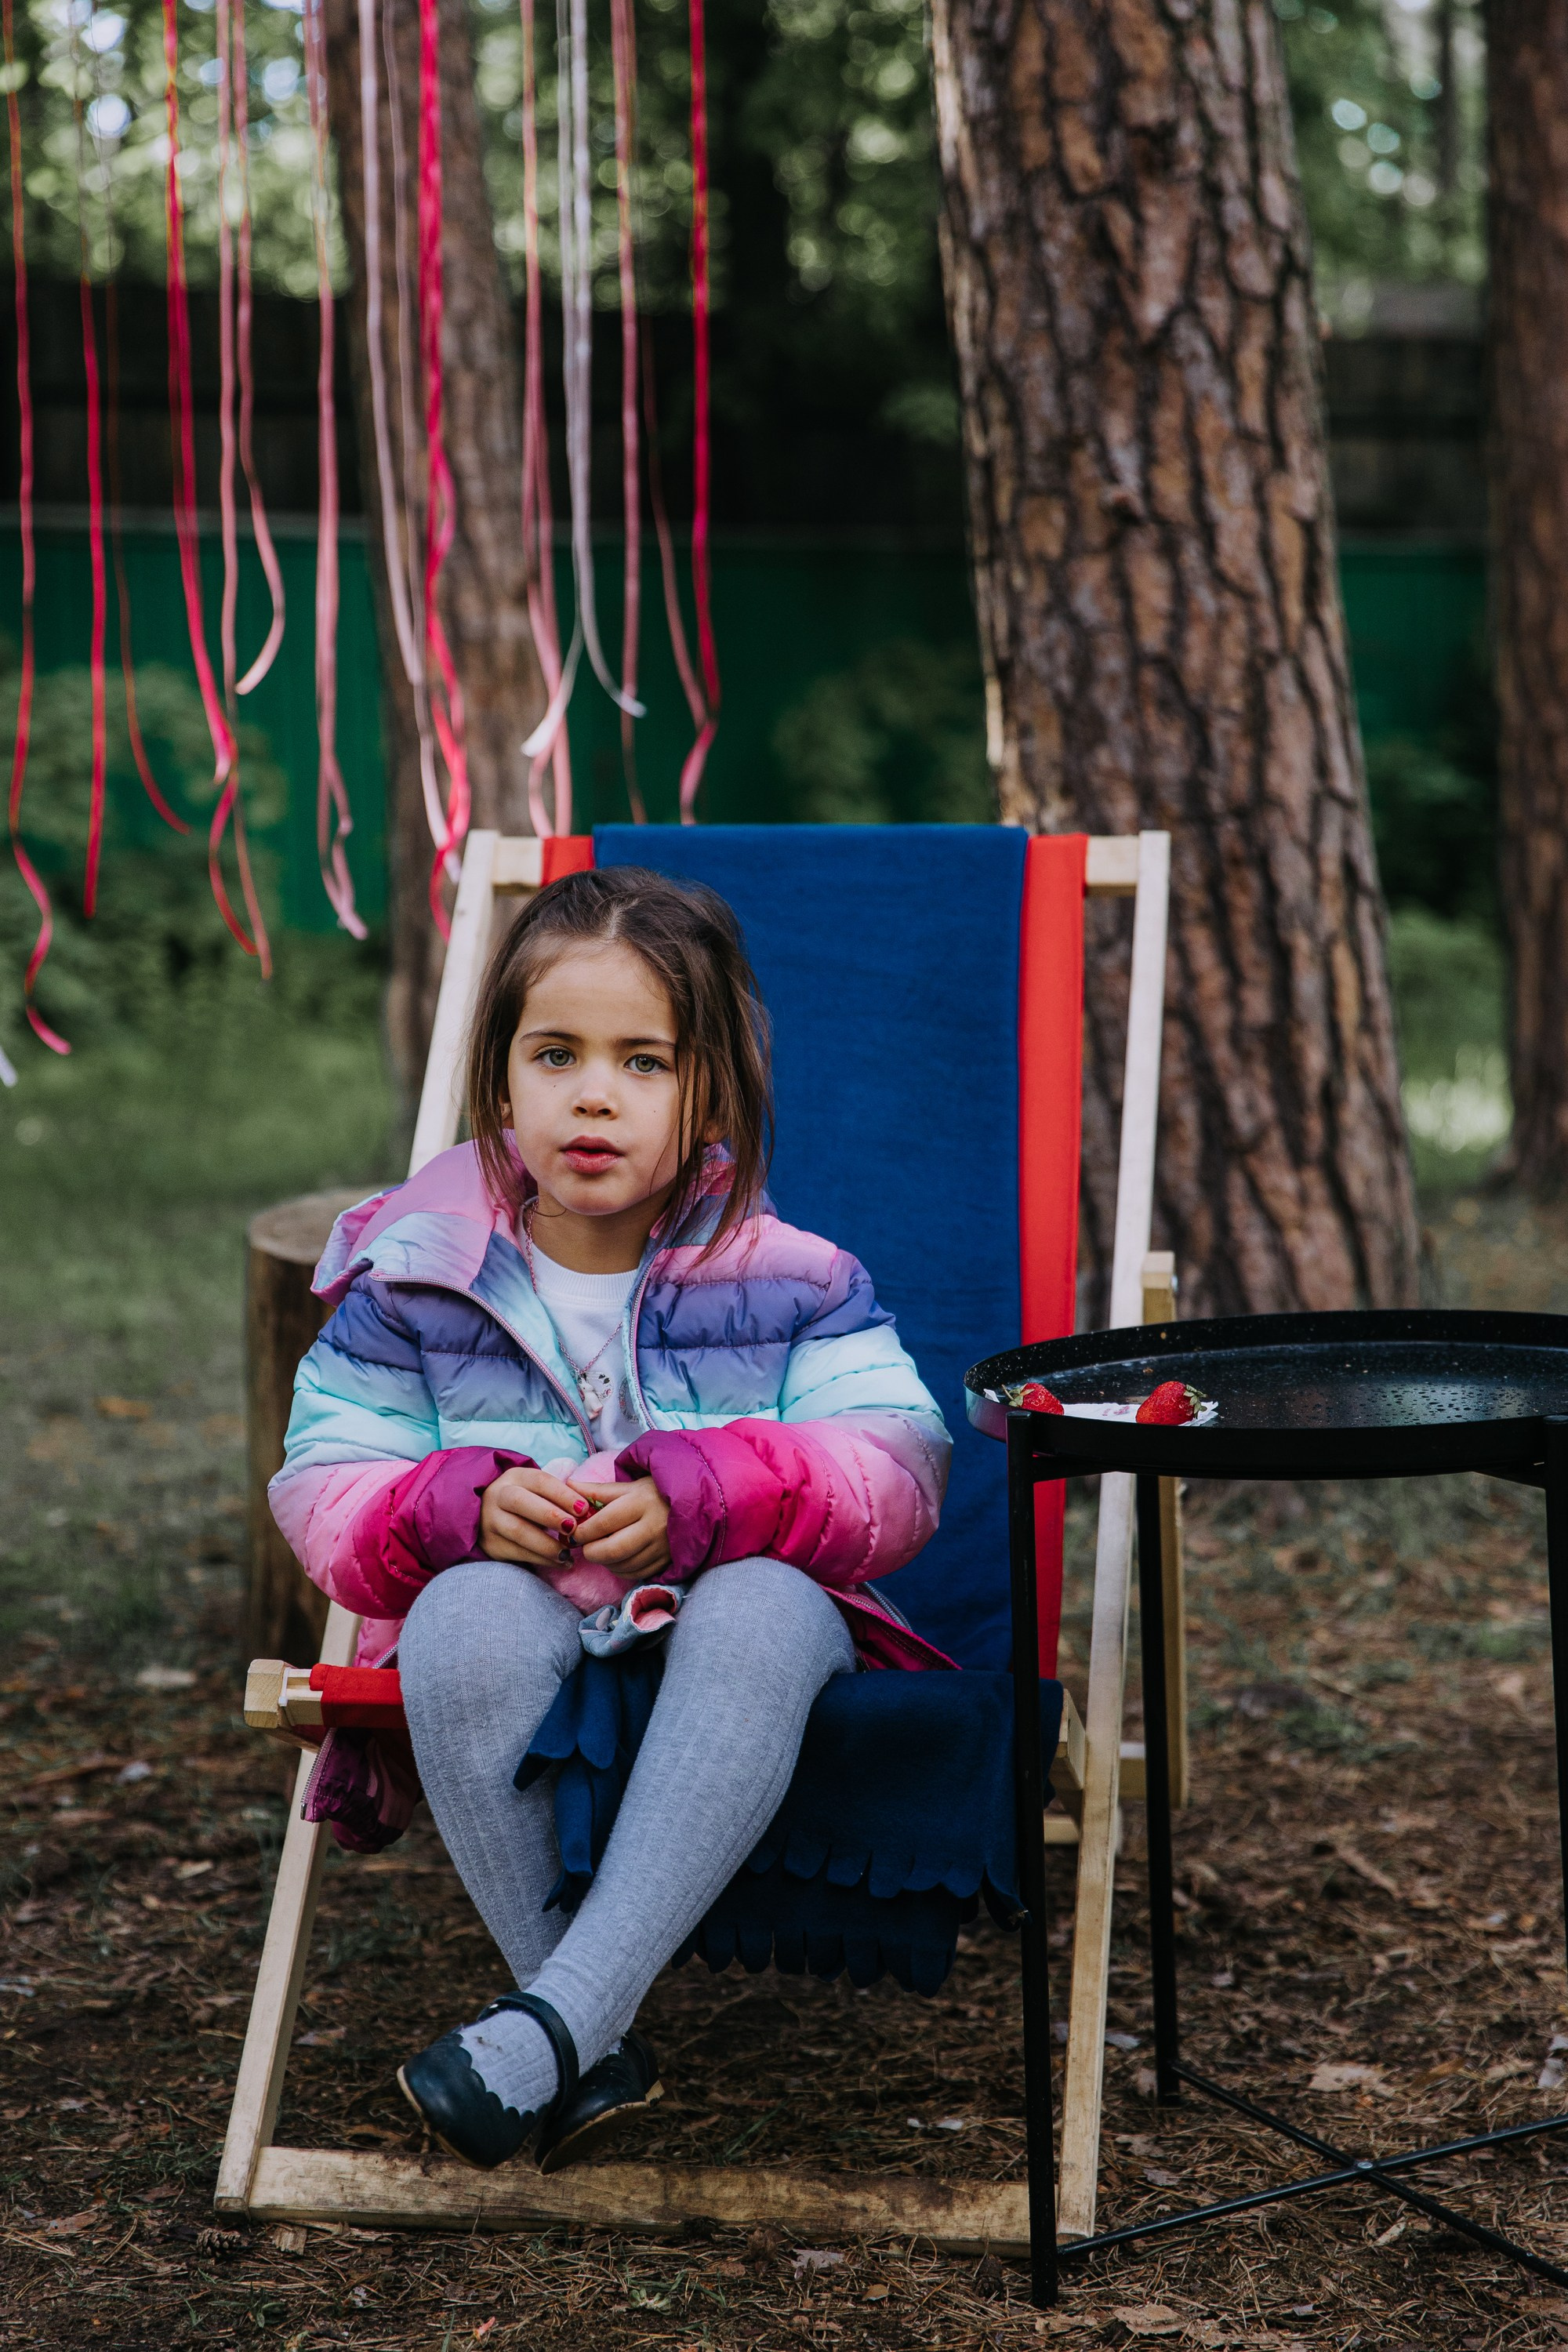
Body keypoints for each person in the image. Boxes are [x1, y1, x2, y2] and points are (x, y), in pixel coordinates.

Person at [270, 865, 952, 2173]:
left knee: (761, 1600)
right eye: (556, 1054)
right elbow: (325, 1486)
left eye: (645, 1061)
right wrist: (449, 1503)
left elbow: (900, 1471)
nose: (594, 1093)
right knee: (459, 1609)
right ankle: (577, 2035)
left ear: (712, 1093)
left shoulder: (798, 1281)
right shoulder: (415, 1287)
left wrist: (715, 1492)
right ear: (499, 1085)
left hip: (742, 1643)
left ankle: (550, 2024)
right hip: (520, 1643)